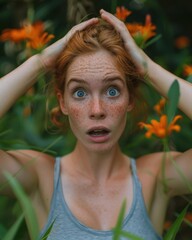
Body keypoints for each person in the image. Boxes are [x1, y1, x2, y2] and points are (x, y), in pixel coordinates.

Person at [0, 9, 192, 240]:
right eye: (80, 92)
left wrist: (148, 69)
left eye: (112, 91)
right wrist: (40, 62)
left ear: (129, 99)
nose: (97, 110)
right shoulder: (39, 177)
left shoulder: (156, 176)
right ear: (63, 103)